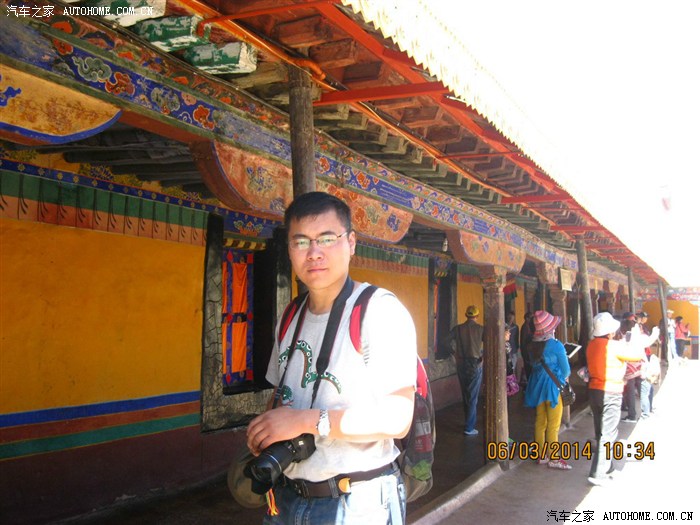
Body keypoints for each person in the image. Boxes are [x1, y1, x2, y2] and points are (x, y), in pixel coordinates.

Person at [246, 192, 417, 524]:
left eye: (327, 239)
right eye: (301, 242)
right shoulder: (291, 316)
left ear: (351, 243)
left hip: (358, 501)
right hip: (286, 496)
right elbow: (283, 393)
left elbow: (398, 418)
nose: (314, 252)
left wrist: (305, 422)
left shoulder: (378, 311)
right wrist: (267, 430)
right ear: (289, 249)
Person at [586, 312, 658, 486]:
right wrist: (635, 339)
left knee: (601, 431)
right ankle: (598, 474)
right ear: (610, 332)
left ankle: (608, 468)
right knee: (608, 434)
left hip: (594, 391)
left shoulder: (591, 345)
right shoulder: (613, 346)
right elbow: (636, 355)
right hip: (611, 391)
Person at [523, 310, 572, 470]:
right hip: (553, 388)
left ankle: (541, 455)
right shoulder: (556, 345)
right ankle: (554, 458)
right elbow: (566, 371)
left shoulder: (532, 345)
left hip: (537, 386)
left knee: (540, 421)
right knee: (553, 425)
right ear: (549, 329)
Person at [449, 305, 484, 436]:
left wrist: (454, 353)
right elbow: (491, 342)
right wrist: (483, 358)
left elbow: (444, 341)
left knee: (465, 394)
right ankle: (469, 427)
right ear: (477, 316)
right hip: (475, 364)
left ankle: (468, 422)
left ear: (466, 315)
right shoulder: (480, 329)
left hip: (461, 363)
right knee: (472, 396)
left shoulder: (458, 329)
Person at [617, 318, 644, 423]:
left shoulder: (626, 337)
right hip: (638, 365)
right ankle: (644, 410)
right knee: (638, 389)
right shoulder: (636, 336)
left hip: (629, 367)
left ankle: (631, 415)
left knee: (630, 392)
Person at [636, 312, 659, 418]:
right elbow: (648, 341)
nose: (645, 319)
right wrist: (655, 333)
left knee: (645, 386)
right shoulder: (638, 335)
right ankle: (647, 410)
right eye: (644, 317)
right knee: (645, 385)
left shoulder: (643, 328)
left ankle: (647, 410)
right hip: (642, 360)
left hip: (644, 358)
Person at [520, 312, 535, 382]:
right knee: (529, 369)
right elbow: (523, 341)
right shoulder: (525, 327)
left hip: (529, 351)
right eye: (531, 318)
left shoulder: (529, 326)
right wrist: (524, 353)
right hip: (527, 352)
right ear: (527, 318)